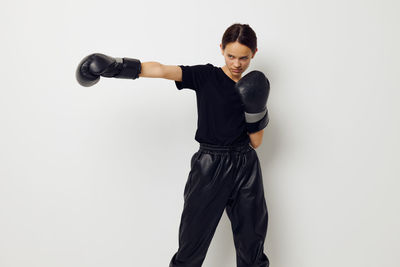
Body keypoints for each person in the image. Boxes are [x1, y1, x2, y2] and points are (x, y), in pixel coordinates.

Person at [76, 23, 270, 267]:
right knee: (192, 243)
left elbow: (256, 142)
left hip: (246, 166)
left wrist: (256, 109)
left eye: (244, 57)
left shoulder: (255, 86)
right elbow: (162, 70)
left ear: (254, 53)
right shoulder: (205, 76)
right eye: (231, 56)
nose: (237, 64)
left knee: (252, 245)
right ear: (221, 49)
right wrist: (117, 66)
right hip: (210, 165)